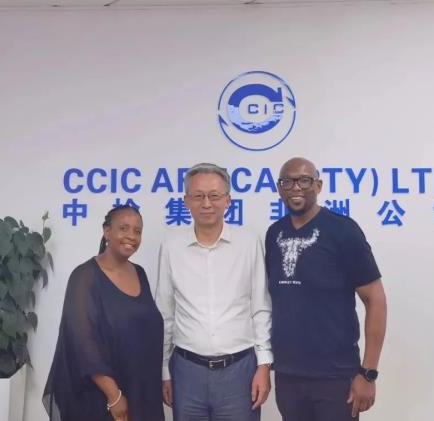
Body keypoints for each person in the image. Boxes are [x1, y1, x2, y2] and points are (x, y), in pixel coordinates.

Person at [265, 157, 387, 421]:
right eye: (288, 182)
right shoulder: (274, 234)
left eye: (304, 180)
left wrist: (368, 373)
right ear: (279, 188)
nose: (296, 187)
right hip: (288, 377)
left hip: (336, 377)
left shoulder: (343, 231)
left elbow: (375, 299)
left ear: (318, 186)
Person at [155, 163, 272, 421]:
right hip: (187, 371)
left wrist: (264, 364)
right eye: (198, 196)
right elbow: (165, 311)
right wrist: (164, 370)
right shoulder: (172, 245)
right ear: (186, 201)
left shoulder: (248, 243)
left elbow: (260, 307)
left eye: (214, 195)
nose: (206, 203)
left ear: (228, 200)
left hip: (239, 370)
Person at [43, 205, 164, 421]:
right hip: (104, 398)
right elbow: (83, 344)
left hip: (143, 392)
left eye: (137, 231)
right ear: (107, 231)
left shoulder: (140, 273)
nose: (131, 236)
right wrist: (114, 396)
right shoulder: (84, 276)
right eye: (124, 228)